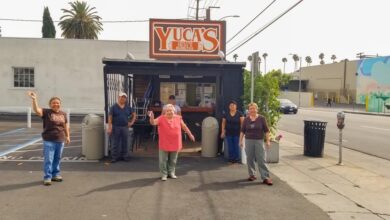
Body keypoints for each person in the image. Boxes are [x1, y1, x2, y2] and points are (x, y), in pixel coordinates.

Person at [27, 92, 70, 186]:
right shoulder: (47, 112)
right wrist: (34, 99)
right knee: (49, 159)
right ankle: (47, 177)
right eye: (53, 103)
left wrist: (67, 136)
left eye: (57, 102)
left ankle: (56, 174)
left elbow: (65, 126)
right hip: (49, 140)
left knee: (57, 159)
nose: (56, 104)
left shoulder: (63, 114)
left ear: (60, 104)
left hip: (60, 140)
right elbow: (37, 110)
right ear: (50, 104)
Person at [148, 104, 195, 181]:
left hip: (175, 142)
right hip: (164, 142)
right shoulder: (161, 118)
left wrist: (190, 134)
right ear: (165, 112)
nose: (169, 112)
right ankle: (164, 174)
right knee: (163, 160)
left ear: (174, 112)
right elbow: (153, 122)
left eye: (171, 110)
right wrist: (151, 117)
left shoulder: (178, 118)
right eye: (168, 110)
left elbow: (184, 127)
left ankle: (171, 173)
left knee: (173, 160)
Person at [240, 103, 273, 186]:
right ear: (249, 110)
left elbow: (266, 131)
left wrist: (268, 141)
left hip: (259, 141)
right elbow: (242, 131)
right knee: (249, 158)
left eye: (254, 108)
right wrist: (240, 141)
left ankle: (265, 177)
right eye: (250, 109)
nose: (252, 110)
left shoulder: (262, 118)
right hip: (248, 141)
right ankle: (252, 175)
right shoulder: (246, 119)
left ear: (257, 109)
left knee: (261, 159)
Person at [107, 92, 136, 163]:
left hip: (125, 127)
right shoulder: (113, 107)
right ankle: (114, 157)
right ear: (118, 97)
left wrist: (131, 122)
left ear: (126, 99)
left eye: (124, 97)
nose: (122, 98)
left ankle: (125, 157)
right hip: (115, 127)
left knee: (125, 142)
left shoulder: (128, 107)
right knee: (114, 142)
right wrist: (109, 127)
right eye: (121, 97)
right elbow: (110, 118)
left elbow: (134, 114)